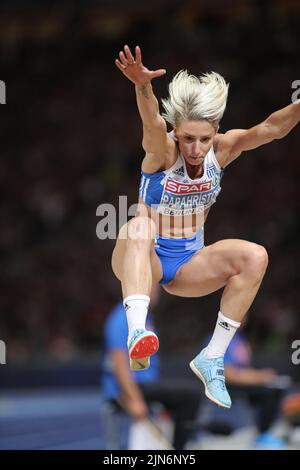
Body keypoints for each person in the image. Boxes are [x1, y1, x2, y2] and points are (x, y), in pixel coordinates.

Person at [111, 44, 300, 409]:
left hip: (188, 265)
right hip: (142, 260)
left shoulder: (224, 150)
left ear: (215, 131)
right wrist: (142, 86)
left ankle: (212, 357)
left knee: (254, 256)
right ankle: (138, 329)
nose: (195, 149)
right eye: (187, 138)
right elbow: (152, 123)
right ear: (177, 132)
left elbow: (273, 128)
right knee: (138, 226)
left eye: (204, 139)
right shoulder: (163, 151)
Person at [101, 283, 201, 450]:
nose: (156, 293)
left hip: (147, 386)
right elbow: (118, 363)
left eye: (155, 288)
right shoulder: (122, 317)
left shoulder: (145, 317)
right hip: (131, 389)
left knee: (187, 393)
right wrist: (135, 399)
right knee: (190, 396)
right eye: (150, 288)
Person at [224, 331, 289, 448]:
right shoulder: (222, 338)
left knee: (277, 389)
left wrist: (261, 376)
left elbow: (244, 367)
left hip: (245, 381)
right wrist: (259, 377)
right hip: (228, 385)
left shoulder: (239, 338)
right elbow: (229, 375)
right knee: (267, 392)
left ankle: (265, 433)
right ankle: (263, 433)